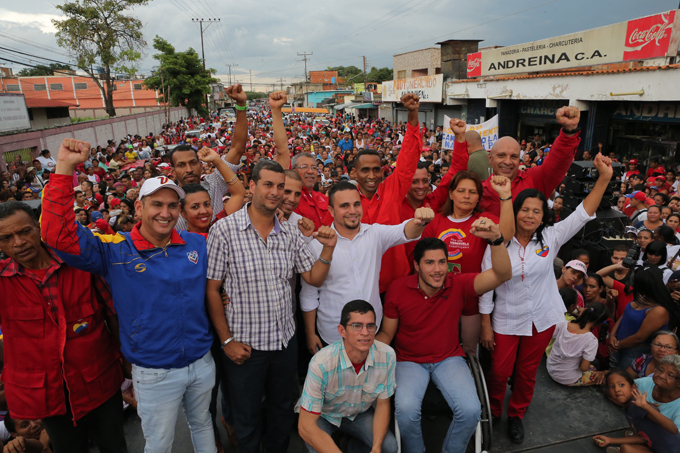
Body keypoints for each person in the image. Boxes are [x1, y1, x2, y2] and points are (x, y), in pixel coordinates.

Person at [41, 138, 217, 453]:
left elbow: (218, 285)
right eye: (156, 204)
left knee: (203, 424)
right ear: (139, 207)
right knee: (159, 443)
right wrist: (65, 168)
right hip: (154, 371)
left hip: (202, 361)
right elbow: (58, 236)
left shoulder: (197, 244)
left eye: (172, 205)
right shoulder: (115, 248)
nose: (165, 213)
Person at [205, 159, 338, 453]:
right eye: (268, 185)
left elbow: (313, 278)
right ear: (251, 187)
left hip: (284, 344)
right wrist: (226, 340)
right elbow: (212, 290)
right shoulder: (224, 231)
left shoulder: (290, 233)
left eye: (281, 186)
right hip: (244, 348)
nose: (276, 192)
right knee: (247, 417)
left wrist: (328, 248)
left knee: (280, 412)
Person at [480, 154, 614, 443]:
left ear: (544, 216)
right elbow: (486, 287)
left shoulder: (551, 238)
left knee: (528, 373)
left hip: (540, 320)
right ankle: (494, 411)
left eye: (536, 211)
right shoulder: (497, 242)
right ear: (514, 212)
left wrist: (603, 178)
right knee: (500, 371)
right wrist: (485, 324)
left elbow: (581, 213)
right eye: (524, 209)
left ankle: (516, 414)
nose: (529, 215)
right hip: (506, 318)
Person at [0, 201, 127, 453]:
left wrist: (127, 356)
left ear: (38, 228)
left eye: (24, 232)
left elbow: (112, 312)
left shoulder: (80, 263)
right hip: (49, 395)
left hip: (99, 380)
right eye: (6, 238)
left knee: (114, 446)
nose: (18, 243)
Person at [377, 226, 512, 453]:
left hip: (448, 359)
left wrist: (497, 240)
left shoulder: (457, 283)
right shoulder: (398, 288)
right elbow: (387, 334)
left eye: (442, 262)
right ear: (416, 266)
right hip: (409, 361)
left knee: (470, 410)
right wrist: (362, 352)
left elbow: (502, 274)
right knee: (406, 412)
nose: (438, 269)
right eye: (429, 263)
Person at [300, 181, 434, 352]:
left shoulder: (375, 234)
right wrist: (310, 334)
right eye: (344, 206)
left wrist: (419, 221)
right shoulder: (317, 245)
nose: (352, 211)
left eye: (356, 204)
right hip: (332, 334)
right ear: (331, 210)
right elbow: (309, 295)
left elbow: (405, 231)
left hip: (371, 330)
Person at [297, 301, 398, 453]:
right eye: (357, 326)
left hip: (359, 414)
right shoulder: (321, 363)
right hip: (324, 415)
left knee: (388, 447)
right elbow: (305, 426)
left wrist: (376, 449)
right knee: (316, 445)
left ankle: (349, 447)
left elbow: (383, 405)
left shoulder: (387, 355)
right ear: (342, 331)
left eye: (370, 326)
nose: (365, 332)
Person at [478, 106, 581, 216]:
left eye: (513, 157)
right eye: (501, 155)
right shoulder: (478, 191)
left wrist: (569, 131)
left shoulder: (534, 180)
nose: (507, 162)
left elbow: (557, 164)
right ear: (490, 158)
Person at [172, 85, 249, 231]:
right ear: (172, 170)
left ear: (201, 165)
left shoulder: (213, 183)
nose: (189, 169)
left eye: (193, 163)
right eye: (181, 165)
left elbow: (238, 148)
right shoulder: (168, 200)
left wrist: (240, 105)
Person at [594, 358, 680, 453]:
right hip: (656, 447)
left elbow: (673, 430)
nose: (617, 390)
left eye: (621, 385)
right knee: (626, 448)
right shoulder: (629, 407)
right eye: (611, 386)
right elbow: (643, 437)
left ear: (634, 387)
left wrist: (647, 407)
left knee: (626, 449)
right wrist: (610, 440)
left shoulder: (640, 406)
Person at [609, 267, 674, 370]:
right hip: (619, 345)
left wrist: (617, 345)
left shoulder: (658, 310)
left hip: (634, 352)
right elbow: (624, 315)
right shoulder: (642, 298)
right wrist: (612, 335)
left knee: (623, 378)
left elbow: (640, 337)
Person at [547, 302, 609, 386]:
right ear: (598, 323)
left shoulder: (563, 324)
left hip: (550, 368)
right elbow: (584, 368)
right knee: (599, 375)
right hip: (567, 379)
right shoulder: (591, 340)